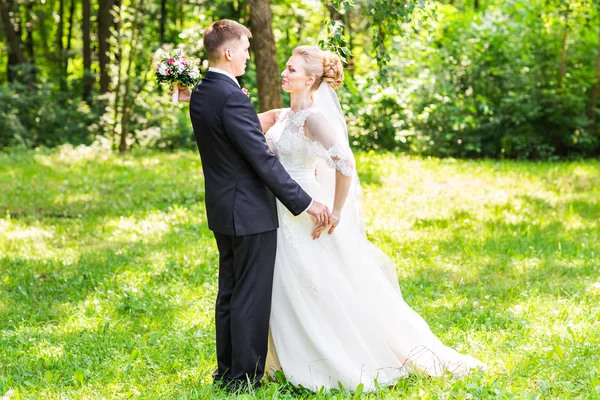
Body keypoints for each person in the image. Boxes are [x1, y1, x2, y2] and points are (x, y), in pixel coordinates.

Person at [256, 45, 487, 392]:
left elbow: (345, 164)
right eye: (286, 68)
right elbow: (237, 121)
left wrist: (334, 211)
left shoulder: (314, 118)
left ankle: (335, 356)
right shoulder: (283, 116)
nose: (284, 74)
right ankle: (289, 358)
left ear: (310, 78)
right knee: (288, 284)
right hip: (280, 209)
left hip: (307, 211)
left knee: (316, 283)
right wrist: (194, 98)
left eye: (291, 69)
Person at [174, 20, 332, 393]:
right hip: (248, 210)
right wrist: (305, 202)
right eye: (244, 49)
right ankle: (244, 377)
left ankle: (226, 369)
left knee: (230, 290)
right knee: (250, 294)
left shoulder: (204, 91)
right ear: (228, 53)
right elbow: (263, 160)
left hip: (222, 207)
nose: (248, 55)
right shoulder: (229, 96)